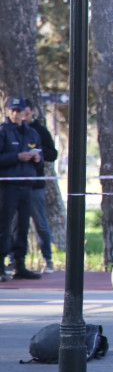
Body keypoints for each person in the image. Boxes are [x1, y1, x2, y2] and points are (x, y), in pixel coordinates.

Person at [0, 97, 43, 281]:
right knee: (4, 226)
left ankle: (20, 265)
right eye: (13, 111)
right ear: (8, 112)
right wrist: (18, 156)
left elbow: (41, 152)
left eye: (20, 111)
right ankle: (1, 266)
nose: (16, 114)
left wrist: (36, 158)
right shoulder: (3, 131)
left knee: (23, 227)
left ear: (26, 112)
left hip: (27, 187)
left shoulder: (32, 133)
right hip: (7, 187)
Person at [24, 100, 58, 273]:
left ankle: (48, 259)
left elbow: (53, 154)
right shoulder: (8, 131)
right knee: (15, 225)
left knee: (41, 224)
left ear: (33, 112)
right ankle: (15, 261)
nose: (23, 117)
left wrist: (40, 154)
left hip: (36, 185)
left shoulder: (40, 131)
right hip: (15, 185)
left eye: (26, 113)